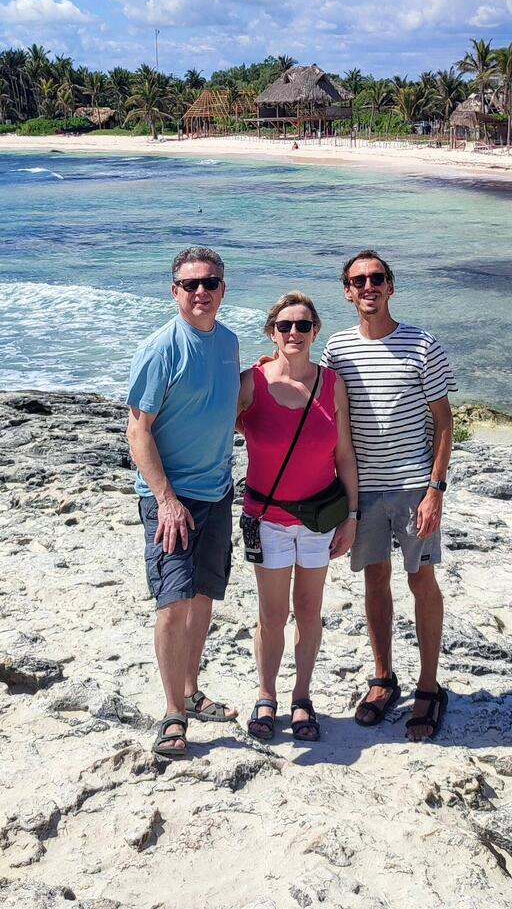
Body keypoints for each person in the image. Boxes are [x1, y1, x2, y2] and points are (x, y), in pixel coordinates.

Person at [323, 250, 457, 742]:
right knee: (374, 581)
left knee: (422, 580)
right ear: (347, 291)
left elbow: (444, 423)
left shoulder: (423, 345)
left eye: (377, 278)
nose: (368, 286)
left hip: (413, 486)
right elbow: (329, 418)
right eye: (359, 280)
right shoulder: (336, 348)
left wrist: (435, 490)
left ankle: (428, 686)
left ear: (391, 286)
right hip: (363, 488)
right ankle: (383, 678)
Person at [126, 247, 241, 760]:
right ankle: (173, 713)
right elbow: (138, 429)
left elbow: (232, 405)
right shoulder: (162, 348)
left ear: (222, 288)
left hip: (218, 491)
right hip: (171, 499)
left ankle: (192, 692)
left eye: (210, 282)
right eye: (190, 284)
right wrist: (166, 499)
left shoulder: (230, 343)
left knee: (203, 597)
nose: (201, 292)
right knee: (172, 603)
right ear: (174, 291)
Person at [236, 293, 358, 742]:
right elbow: (211, 423)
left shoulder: (332, 384)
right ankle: (266, 695)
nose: (293, 333)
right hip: (266, 517)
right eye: (285, 326)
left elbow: (345, 454)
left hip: (319, 519)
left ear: (315, 332)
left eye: (302, 326)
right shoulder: (251, 383)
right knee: (271, 614)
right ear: (272, 332)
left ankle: (301, 697)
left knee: (309, 610)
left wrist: (353, 515)